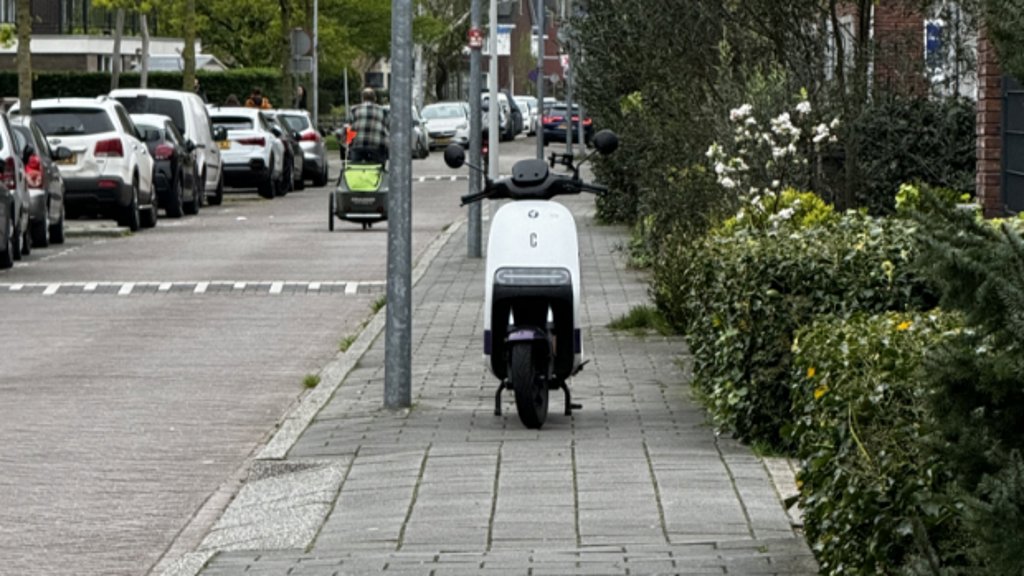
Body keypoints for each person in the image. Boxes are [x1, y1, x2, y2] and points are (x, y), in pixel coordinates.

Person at [348, 87, 389, 165]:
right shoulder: (383, 111)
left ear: (362, 98)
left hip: (358, 145)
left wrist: (349, 144)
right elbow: (387, 128)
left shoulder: (354, 110)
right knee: (379, 167)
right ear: (375, 98)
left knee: (356, 167)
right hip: (377, 146)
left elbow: (350, 129)